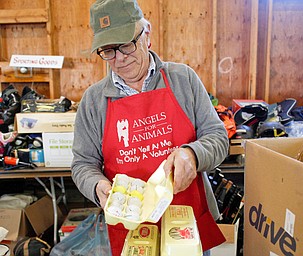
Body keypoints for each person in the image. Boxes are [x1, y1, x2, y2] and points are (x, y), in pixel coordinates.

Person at [71, 0, 229, 255]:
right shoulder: (93, 101)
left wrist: (192, 154)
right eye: (108, 50)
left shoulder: (183, 79)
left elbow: (218, 138)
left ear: (147, 35)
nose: (120, 58)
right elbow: (82, 163)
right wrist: (96, 184)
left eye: (125, 45)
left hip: (184, 225)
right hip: (130, 229)